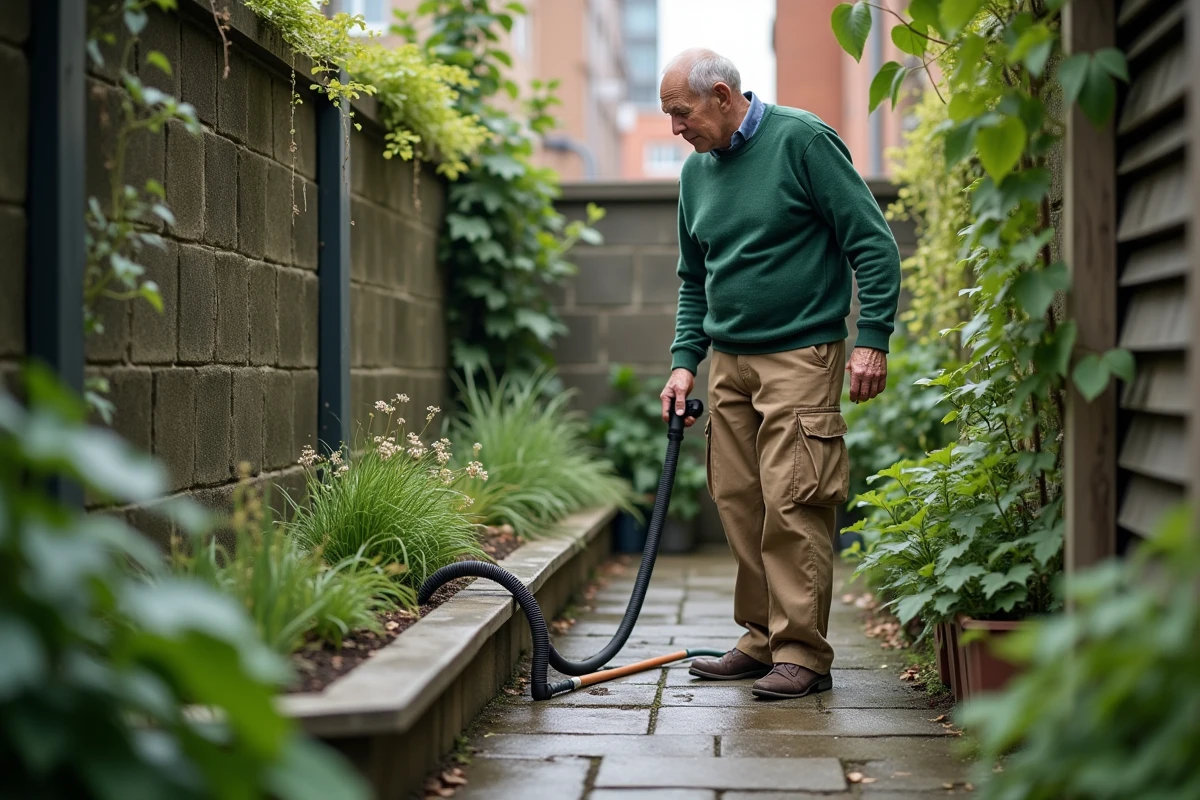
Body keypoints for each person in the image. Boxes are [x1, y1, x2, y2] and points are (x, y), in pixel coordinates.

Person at [659, 48, 901, 699]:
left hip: (801, 353)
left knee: (794, 499)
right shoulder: (696, 176)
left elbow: (872, 242)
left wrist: (871, 340)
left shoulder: (803, 141)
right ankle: (762, 637)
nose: (676, 129)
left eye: (681, 114)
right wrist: (685, 363)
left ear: (720, 94)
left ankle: (803, 653)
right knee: (739, 500)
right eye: (669, 117)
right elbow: (693, 279)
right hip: (729, 360)